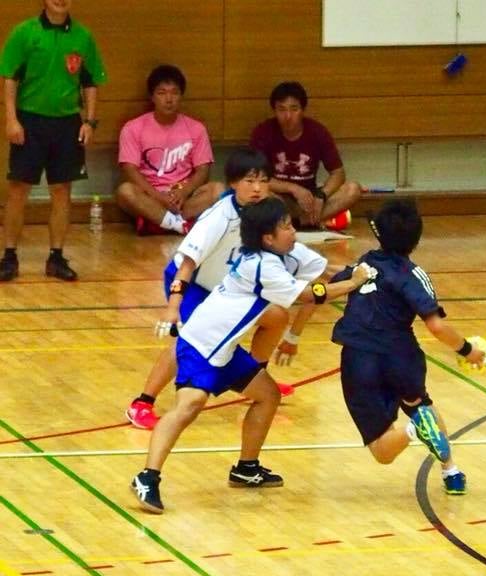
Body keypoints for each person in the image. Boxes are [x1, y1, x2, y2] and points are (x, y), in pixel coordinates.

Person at [130, 198, 375, 513]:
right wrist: (355, 282)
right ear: (268, 238)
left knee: (268, 395)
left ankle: (246, 468)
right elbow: (310, 294)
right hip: (201, 344)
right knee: (188, 406)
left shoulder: (286, 252)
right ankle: (147, 477)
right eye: (286, 227)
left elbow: (324, 270)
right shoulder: (262, 265)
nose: (293, 231)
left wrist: (362, 270)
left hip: (225, 349)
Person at [125, 148, 303, 429]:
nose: (257, 188)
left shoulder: (268, 213)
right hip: (193, 284)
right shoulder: (219, 217)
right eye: (249, 181)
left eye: (263, 181)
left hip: (227, 288)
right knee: (191, 339)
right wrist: (173, 307)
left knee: (276, 317)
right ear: (233, 183)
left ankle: (256, 378)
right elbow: (187, 264)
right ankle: (142, 403)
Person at [330, 198, 486, 495]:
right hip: (401, 356)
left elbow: (332, 286)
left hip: (359, 359)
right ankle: (451, 472)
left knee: (382, 450)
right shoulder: (413, 274)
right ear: (416, 240)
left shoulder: (363, 264)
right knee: (420, 404)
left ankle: (415, 429)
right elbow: (436, 326)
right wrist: (468, 351)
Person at [0, 0, 107, 282]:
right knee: (18, 188)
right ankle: (9, 257)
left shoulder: (83, 36)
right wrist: (11, 119)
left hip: (67, 124)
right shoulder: (24, 32)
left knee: (62, 190)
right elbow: (10, 78)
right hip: (30, 121)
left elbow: (90, 82)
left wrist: (89, 121)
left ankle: (56, 257)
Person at [115, 64, 224, 235]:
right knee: (125, 192)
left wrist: (183, 193)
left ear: (181, 96)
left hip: (183, 198)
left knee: (218, 190)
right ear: (152, 97)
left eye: (174, 93)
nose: (169, 99)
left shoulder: (196, 128)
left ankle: (158, 222)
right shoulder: (133, 128)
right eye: (162, 93)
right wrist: (159, 197)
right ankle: (179, 225)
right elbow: (130, 170)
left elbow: (203, 170)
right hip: (150, 197)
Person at [250, 81, 361, 231]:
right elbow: (255, 177)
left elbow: (338, 173)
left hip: (310, 199)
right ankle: (306, 222)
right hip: (280, 197)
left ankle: (297, 222)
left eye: (294, 109)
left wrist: (322, 195)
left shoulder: (318, 132)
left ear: (303, 110)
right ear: (274, 110)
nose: (288, 116)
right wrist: (292, 188)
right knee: (260, 192)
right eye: (281, 109)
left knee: (353, 189)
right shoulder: (263, 132)